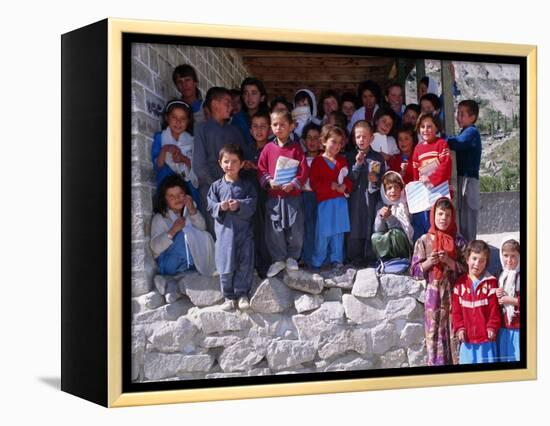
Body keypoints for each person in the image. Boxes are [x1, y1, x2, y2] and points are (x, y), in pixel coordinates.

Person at [411, 197, 467, 366]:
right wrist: (430, 262)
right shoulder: (424, 240)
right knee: (434, 335)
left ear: (452, 217)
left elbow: (468, 269)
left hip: (455, 297)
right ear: (433, 215)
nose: (443, 218)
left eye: (448, 215)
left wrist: (450, 263)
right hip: (433, 298)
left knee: (455, 333)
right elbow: (414, 271)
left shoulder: (458, 241)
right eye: (440, 214)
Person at [257, 110, 309, 277]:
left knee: (296, 227)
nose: (278, 128)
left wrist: (293, 184)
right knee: (274, 228)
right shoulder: (267, 148)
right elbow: (261, 169)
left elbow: (303, 170)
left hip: (292, 196)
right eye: (275, 124)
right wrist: (269, 182)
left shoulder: (296, 149)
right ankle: (278, 258)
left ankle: (293, 257)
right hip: (274, 196)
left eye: (283, 124)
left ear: (291, 126)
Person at [192, 87, 250, 235]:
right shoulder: (201, 129)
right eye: (227, 102)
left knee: (237, 234)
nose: (231, 107)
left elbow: (245, 158)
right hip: (211, 190)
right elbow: (199, 165)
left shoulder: (235, 131)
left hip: (234, 189)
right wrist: (216, 187)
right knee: (217, 232)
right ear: (215, 104)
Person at [207, 144, 257, 311]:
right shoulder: (215, 187)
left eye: (234, 162)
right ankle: (228, 296)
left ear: (242, 164)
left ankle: (242, 293)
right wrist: (220, 207)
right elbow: (210, 206)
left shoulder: (247, 185)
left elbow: (252, 204)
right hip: (224, 235)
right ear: (220, 163)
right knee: (225, 264)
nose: (230, 165)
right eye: (226, 161)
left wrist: (239, 205)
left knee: (244, 262)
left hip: (244, 234)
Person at [150, 175, 216, 277]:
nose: (177, 199)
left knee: (205, 235)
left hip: (189, 261)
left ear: (186, 195)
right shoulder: (159, 218)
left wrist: (192, 210)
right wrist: (173, 231)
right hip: (168, 263)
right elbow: (155, 248)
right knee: (183, 234)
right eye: (171, 197)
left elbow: (202, 229)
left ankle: (192, 269)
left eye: (180, 194)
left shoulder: (189, 210)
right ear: (165, 200)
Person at [309, 125, 352, 270]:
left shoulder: (342, 161)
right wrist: (332, 186)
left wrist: (345, 186)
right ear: (324, 141)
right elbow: (315, 183)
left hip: (340, 202)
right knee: (323, 233)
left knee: (338, 233)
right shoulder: (318, 161)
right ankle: (317, 261)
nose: (337, 146)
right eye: (334, 141)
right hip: (325, 203)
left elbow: (348, 179)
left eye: (340, 143)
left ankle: (337, 260)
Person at [452, 240, 500, 364]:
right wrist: (460, 328)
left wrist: (492, 327)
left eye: (482, 260)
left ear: (486, 263)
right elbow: (456, 312)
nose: (477, 264)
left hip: (486, 340)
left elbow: (495, 310)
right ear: (467, 259)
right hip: (467, 341)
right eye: (474, 258)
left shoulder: (491, 283)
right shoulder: (460, 284)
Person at [346, 120, 385, 264]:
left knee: (370, 225)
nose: (361, 140)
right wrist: (357, 164)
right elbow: (349, 179)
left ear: (371, 138)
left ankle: (370, 256)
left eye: (364, 136)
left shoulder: (377, 157)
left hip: (372, 198)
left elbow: (384, 181)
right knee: (355, 225)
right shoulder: (350, 157)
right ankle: (354, 257)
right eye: (358, 137)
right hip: (355, 198)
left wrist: (377, 179)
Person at [410, 113, 452, 241]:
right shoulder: (417, 149)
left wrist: (431, 179)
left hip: (440, 192)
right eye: (422, 126)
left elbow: (446, 165)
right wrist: (418, 187)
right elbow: (416, 172)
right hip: (425, 194)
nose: (425, 130)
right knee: (426, 223)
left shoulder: (441, 144)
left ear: (436, 128)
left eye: (429, 126)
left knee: (441, 222)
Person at [151, 100, 200, 206]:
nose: (178, 122)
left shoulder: (192, 141)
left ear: (188, 121)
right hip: (167, 184)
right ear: (167, 118)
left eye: (183, 119)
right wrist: (165, 149)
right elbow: (158, 166)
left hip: (187, 187)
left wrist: (183, 159)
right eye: (174, 117)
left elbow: (197, 166)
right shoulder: (160, 137)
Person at [447, 100, 482, 242]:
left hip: (469, 180)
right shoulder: (465, 132)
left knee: (468, 217)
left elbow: (457, 143)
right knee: (462, 217)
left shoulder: (472, 132)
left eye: (462, 114)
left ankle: (471, 249)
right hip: (463, 179)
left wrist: (441, 139)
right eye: (458, 113)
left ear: (472, 117)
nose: (458, 116)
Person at [247, 111, 273, 278]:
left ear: (270, 130)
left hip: (268, 196)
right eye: (255, 127)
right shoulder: (246, 149)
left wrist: (259, 169)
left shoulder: (272, 149)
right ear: (250, 130)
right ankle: (254, 264)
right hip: (250, 196)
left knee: (267, 231)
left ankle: (267, 266)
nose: (259, 130)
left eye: (263, 126)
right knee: (252, 231)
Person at [371, 171, 413, 259]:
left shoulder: (406, 205)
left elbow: (405, 229)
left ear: (401, 189)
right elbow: (377, 229)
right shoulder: (381, 205)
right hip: (389, 244)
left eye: (396, 187)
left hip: (405, 242)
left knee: (396, 233)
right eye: (389, 188)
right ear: (384, 191)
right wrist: (381, 216)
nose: (393, 191)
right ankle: (386, 259)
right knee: (375, 237)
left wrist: (390, 218)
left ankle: (403, 257)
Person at [496, 237, 521, 362]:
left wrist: (511, 300)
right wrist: (497, 293)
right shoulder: (500, 275)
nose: (509, 260)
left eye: (513, 256)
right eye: (506, 255)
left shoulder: (521, 275)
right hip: (503, 327)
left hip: (518, 327)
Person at [301, 122, 322, 268]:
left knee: (319, 228)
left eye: (316, 138)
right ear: (303, 141)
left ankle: (319, 260)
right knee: (305, 227)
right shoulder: (299, 158)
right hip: (303, 196)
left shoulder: (324, 159)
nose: (312, 142)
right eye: (309, 138)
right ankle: (306, 259)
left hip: (320, 197)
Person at [232, 77, 269, 147]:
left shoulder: (270, 119)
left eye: (254, 93)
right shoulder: (237, 119)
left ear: (262, 97)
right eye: (246, 93)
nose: (249, 98)